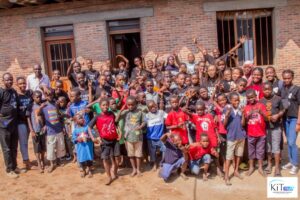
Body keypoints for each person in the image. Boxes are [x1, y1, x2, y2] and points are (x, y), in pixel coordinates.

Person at [89, 98, 119, 184]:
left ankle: (115, 172)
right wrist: (93, 138)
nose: (105, 106)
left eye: (107, 105)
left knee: (117, 159)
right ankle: (109, 177)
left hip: (115, 139)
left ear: (109, 105)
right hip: (104, 141)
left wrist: (119, 132)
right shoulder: (97, 116)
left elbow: (115, 125)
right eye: (103, 105)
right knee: (105, 159)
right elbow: (89, 127)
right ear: (100, 106)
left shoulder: (111, 114)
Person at [37, 90, 66, 173]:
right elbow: (38, 114)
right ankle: (52, 164)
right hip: (50, 131)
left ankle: (58, 160)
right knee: (51, 148)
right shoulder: (44, 105)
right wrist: (40, 108)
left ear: (53, 95)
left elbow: (59, 115)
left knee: (59, 145)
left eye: (51, 94)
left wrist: (63, 126)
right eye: (47, 94)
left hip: (58, 128)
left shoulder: (56, 104)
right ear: (45, 96)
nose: (49, 95)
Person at [116, 96, 146, 177]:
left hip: (138, 137)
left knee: (138, 155)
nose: (130, 106)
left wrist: (140, 127)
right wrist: (121, 110)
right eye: (128, 105)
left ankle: (138, 169)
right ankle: (134, 169)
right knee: (131, 155)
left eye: (132, 105)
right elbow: (116, 119)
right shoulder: (125, 112)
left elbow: (144, 122)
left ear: (136, 104)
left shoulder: (140, 112)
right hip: (128, 137)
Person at [259, 82, 284, 176]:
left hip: (276, 127)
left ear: (272, 89)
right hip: (265, 128)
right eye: (265, 89)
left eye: (269, 89)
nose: (267, 91)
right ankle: (269, 164)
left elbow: (283, 110)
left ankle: (277, 168)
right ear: (262, 90)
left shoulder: (278, 98)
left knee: (276, 148)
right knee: (268, 148)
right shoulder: (261, 101)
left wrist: (278, 115)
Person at [223, 92, 246, 185]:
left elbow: (243, 124)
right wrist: (227, 116)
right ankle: (227, 176)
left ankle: (236, 171)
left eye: (238, 100)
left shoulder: (241, 110)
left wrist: (243, 114)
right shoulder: (226, 109)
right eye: (235, 100)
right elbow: (224, 125)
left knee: (238, 155)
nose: (237, 101)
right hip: (231, 137)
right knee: (229, 157)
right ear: (230, 100)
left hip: (241, 136)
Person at [242, 89, 267, 177]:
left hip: (261, 133)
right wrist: (248, 115)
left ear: (255, 96)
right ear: (247, 99)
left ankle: (260, 167)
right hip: (251, 133)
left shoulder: (261, 105)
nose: (251, 99)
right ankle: (251, 167)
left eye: (252, 97)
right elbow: (244, 123)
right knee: (251, 151)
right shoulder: (246, 108)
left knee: (260, 151)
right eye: (249, 98)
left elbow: (267, 119)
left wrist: (262, 113)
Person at [0, 73, 19, 178]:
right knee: (6, 148)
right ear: (3, 81)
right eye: (7, 80)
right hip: (4, 125)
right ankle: (9, 170)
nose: (9, 81)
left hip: (13, 125)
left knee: (14, 147)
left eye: (11, 79)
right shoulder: (1, 92)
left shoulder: (14, 92)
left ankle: (14, 166)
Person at [280, 69, 300, 175]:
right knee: (288, 142)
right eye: (284, 78)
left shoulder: (297, 89)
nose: (286, 80)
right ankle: (291, 162)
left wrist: (298, 122)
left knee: (292, 142)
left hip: (294, 119)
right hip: (285, 119)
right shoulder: (283, 89)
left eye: (288, 78)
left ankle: (295, 164)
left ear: (292, 78)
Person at [26, 91, 46, 173]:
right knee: (37, 148)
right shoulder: (30, 106)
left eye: (40, 97)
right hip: (35, 130)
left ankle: (43, 161)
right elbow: (28, 119)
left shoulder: (43, 105)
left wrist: (45, 126)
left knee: (43, 147)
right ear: (33, 97)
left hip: (42, 130)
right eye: (37, 97)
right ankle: (39, 164)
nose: (39, 98)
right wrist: (31, 130)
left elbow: (45, 117)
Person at [16, 76, 33, 172]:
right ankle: (26, 161)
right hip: (21, 122)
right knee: (23, 142)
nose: (23, 85)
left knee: (27, 140)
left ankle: (26, 159)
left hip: (30, 121)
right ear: (17, 85)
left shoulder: (29, 94)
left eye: (24, 83)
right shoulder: (16, 96)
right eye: (20, 83)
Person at [145, 100, 166, 171]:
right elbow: (143, 124)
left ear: (156, 105)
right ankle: (154, 164)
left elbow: (169, 117)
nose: (153, 108)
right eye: (151, 107)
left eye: (154, 106)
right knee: (152, 153)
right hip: (151, 138)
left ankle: (162, 163)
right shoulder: (147, 116)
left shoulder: (161, 112)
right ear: (148, 108)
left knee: (164, 150)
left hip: (161, 137)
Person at [72, 113, 95, 178]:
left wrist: (88, 138)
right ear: (76, 122)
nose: (82, 119)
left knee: (89, 159)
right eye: (80, 118)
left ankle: (90, 170)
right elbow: (73, 139)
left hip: (88, 147)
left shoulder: (87, 127)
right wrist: (77, 139)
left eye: (82, 117)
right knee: (82, 160)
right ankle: (84, 170)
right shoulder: (75, 130)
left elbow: (93, 134)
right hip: (80, 148)